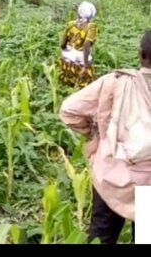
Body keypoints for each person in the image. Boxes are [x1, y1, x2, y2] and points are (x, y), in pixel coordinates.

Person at [59, 31, 151, 244]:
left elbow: (69, 110)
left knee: (102, 233)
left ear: (141, 54)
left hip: (112, 175)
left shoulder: (115, 82)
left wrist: (93, 133)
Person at [60, 1, 97, 88]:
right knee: (85, 86)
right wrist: (85, 63)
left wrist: (65, 52)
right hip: (81, 57)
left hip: (68, 56)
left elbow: (62, 43)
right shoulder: (91, 27)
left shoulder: (71, 24)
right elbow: (86, 44)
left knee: (67, 84)